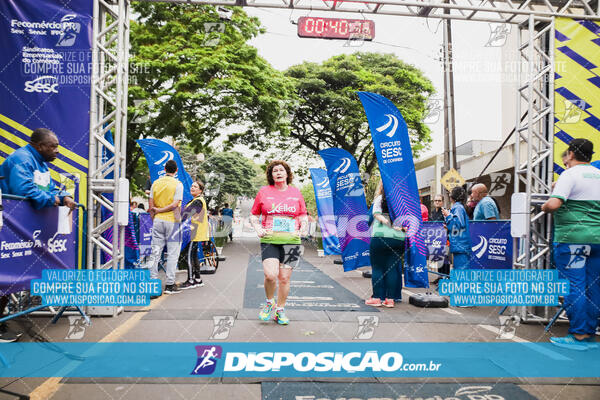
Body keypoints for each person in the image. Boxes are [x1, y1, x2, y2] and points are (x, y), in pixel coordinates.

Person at [0, 128, 78, 342]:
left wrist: (64, 197)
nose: (57, 151)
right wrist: (53, 200)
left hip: (21, 231)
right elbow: (23, 191)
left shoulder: (41, 164)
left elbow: (50, 188)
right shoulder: (21, 159)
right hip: (8, 229)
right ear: (38, 146)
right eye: (53, 146)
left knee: (12, 277)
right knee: (5, 275)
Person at [542, 138, 600, 350]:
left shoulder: (569, 175)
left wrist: (544, 207)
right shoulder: (597, 174)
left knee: (574, 286)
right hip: (598, 241)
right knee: (594, 288)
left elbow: (555, 203)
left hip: (573, 241)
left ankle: (578, 336)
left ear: (572, 154)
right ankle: (590, 335)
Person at [250, 160, 308, 325]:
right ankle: (270, 302)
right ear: (271, 175)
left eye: (281, 170)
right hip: (270, 239)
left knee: (284, 278)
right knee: (270, 275)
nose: (278, 173)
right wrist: (258, 228)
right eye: (274, 171)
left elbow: (303, 215)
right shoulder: (263, 192)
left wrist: (303, 228)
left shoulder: (296, 193)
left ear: (287, 174)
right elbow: (254, 215)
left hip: (292, 241)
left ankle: (280, 311)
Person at [365, 181, 406, 308]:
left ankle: (377, 298)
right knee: (392, 269)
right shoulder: (402, 199)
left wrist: (388, 223)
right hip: (398, 238)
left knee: (377, 268)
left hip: (380, 236)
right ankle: (390, 300)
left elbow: (376, 214)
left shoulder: (380, 198)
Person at [146, 160, 184, 295]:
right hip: (173, 221)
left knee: (155, 252)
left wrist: (155, 215)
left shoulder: (155, 183)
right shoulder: (178, 184)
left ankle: (153, 284)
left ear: (164, 169)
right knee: (173, 253)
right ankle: (169, 284)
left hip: (157, 221)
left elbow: (151, 206)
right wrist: (162, 211)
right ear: (176, 170)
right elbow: (175, 205)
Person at [178, 181, 208, 290]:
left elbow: (186, 214)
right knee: (193, 255)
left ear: (200, 190)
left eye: (195, 187)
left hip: (193, 232)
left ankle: (191, 280)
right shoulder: (195, 200)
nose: (192, 188)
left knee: (189, 255)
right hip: (194, 232)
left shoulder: (198, 201)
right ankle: (198, 279)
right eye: (192, 186)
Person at [442, 186, 471, 270]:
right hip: (460, 245)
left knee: (461, 273)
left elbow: (458, 224)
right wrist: (448, 226)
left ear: (452, 197)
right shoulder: (460, 206)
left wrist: (447, 216)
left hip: (460, 245)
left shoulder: (457, 207)